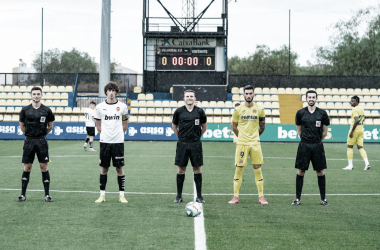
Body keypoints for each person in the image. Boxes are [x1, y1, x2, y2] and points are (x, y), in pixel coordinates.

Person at [228, 85, 268, 205]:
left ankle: (261, 197)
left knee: (257, 168)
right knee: (239, 169)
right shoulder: (238, 110)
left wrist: (255, 136)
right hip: (242, 144)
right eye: (247, 93)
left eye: (251, 93)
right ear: (244, 95)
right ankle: (235, 196)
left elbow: (263, 126)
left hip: (255, 144)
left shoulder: (260, 109)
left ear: (254, 94)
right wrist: (242, 137)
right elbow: (234, 126)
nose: (249, 95)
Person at [292, 90, 330, 206]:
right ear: (306, 98)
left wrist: (316, 141)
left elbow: (324, 132)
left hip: (317, 145)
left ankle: (323, 199)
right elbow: (299, 130)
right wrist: (306, 139)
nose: (311, 99)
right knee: (301, 171)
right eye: (309, 97)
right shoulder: (300, 113)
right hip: (304, 145)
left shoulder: (322, 113)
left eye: (313, 97)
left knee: (320, 172)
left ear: (316, 99)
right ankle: (297, 199)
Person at [18, 86, 55, 202]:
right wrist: (30, 135)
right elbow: (22, 126)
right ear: (31, 95)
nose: (36, 96)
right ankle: (23, 195)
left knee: (44, 167)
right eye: (34, 94)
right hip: (29, 141)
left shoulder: (47, 110)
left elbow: (50, 126)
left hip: (41, 141)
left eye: (38, 94)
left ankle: (47, 195)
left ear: (41, 95)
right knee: (27, 167)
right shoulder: (25, 110)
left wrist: (41, 134)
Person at [94, 81, 129, 203]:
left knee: (119, 168)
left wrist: (119, 135)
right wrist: (105, 135)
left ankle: (122, 195)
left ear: (116, 93)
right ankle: (102, 195)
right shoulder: (99, 107)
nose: (111, 93)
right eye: (109, 91)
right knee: (104, 169)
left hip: (118, 142)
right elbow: (98, 125)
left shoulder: (123, 107)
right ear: (106, 92)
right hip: (104, 142)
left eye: (114, 91)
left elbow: (125, 124)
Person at [172, 90, 207, 204]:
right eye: (187, 96)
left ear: (195, 98)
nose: (189, 98)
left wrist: (196, 137)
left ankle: (199, 196)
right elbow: (174, 126)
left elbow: (204, 127)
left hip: (196, 144)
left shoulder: (200, 111)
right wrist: (182, 137)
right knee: (181, 169)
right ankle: (179, 196)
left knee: (197, 169)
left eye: (191, 96)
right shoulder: (179, 111)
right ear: (184, 98)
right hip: (182, 144)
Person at [343, 95, 370, 170]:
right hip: (361, 130)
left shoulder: (354, 110)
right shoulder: (362, 108)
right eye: (350, 101)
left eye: (352, 101)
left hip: (355, 130)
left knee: (349, 147)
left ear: (357, 101)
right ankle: (367, 163)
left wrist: (352, 131)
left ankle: (350, 166)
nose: (351, 102)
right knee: (360, 147)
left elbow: (356, 121)